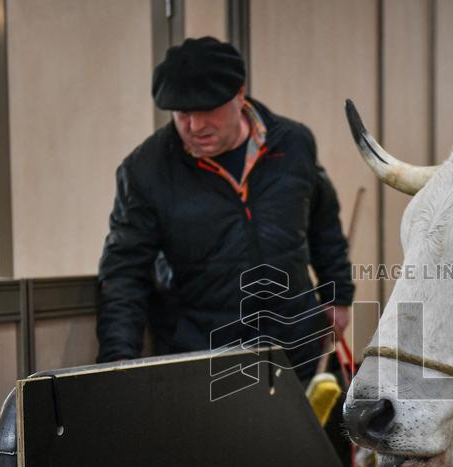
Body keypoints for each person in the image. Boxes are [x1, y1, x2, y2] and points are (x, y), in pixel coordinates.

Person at [96, 37, 354, 384]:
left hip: (299, 348)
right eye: (183, 113)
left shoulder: (293, 143)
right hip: (206, 361)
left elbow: (324, 224)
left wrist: (337, 294)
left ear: (240, 94)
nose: (195, 126)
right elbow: (124, 275)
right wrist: (117, 362)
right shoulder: (145, 171)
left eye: (208, 109)